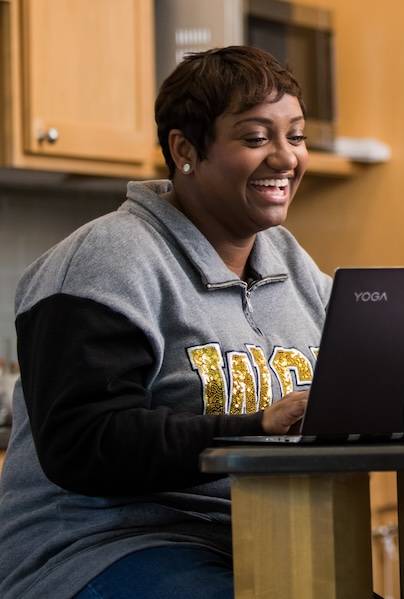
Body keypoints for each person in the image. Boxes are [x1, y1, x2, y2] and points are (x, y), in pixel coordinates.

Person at [0, 46, 331, 599]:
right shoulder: (109, 260)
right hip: (101, 548)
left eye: (295, 136)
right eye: (255, 138)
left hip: (251, 541)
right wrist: (258, 428)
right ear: (185, 150)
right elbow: (83, 442)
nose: (285, 158)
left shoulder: (292, 265)